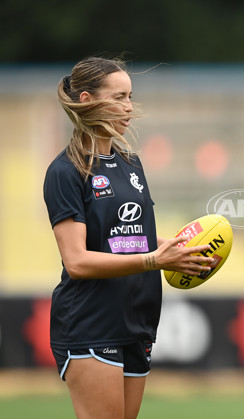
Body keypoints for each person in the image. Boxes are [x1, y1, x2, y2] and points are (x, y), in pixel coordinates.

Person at [43, 56, 214, 419]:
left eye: (130, 96)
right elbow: (76, 261)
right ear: (87, 100)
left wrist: (181, 251)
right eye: (119, 97)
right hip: (92, 322)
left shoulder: (130, 163)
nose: (129, 107)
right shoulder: (65, 171)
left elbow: (134, 238)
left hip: (137, 318)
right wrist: (154, 260)